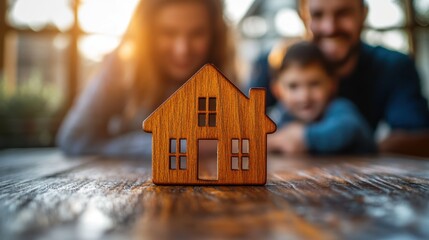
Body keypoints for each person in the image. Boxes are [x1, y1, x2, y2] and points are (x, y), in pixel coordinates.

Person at [57, 0, 236, 157]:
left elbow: (243, 133)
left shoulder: (222, 74)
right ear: (147, 34)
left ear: (215, 36)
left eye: (197, 34)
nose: (182, 50)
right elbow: (74, 139)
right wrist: (191, 145)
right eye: (168, 33)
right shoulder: (120, 67)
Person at [249, 0, 429, 154]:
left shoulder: (393, 66)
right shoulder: (276, 64)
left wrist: (360, 149)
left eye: (343, 13)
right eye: (318, 15)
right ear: (303, 17)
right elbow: (237, 126)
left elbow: (419, 137)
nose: (330, 28)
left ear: (363, 14)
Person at [268, 41, 375, 154]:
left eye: (314, 84)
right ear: (277, 91)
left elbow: (350, 128)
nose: (304, 96)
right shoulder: (280, 115)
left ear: (332, 84)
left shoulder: (339, 109)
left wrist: (303, 136)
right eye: (293, 86)